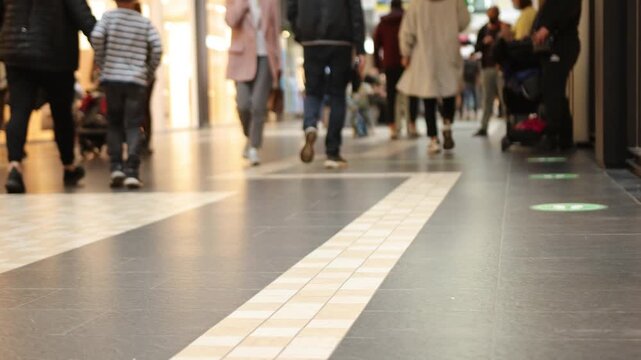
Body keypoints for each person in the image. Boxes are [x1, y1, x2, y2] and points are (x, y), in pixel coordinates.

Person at [0, 0, 96, 194]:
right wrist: (102, 44)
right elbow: (82, 16)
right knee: (61, 113)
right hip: (56, 53)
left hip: (16, 54)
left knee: (19, 110)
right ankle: (68, 166)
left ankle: (14, 166)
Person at [92, 0, 163, 189]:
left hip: (112, 79)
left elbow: (97, 36)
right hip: (136, 82)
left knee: (114, 123)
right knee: (133, 125)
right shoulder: (143, 22)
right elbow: (157, 47)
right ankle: (132, 170)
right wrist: (147, 72)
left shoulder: (108, 18)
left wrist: (102, 61)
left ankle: (116, 167)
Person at [288, 0, 366, 169]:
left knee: (312, 91)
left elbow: (291, 9)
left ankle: (310, 125)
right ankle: (332, 152)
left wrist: (300, 33)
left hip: (311, 40)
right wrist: (360, 47)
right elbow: (355, 11)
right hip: (341, 41)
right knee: (338, 95)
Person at [397, 0, 470, 154]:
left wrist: (406, 52)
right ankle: (447, 123)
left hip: (424, 53)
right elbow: (464, 21)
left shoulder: (417, 3)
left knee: (428, 96)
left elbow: (407, 30)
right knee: (449, 91)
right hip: (448, 50)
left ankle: (433, 139)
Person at [226, 0, 281, 166]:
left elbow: (275, 30)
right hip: (241, 57)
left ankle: (254, 148)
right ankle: (250, 137)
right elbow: (230, 20)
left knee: (258, 104)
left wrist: (278, 63)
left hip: (265, 57)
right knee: (242, 104)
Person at [533, 0, 582, 151]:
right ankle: (564, 137)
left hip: (561, 46)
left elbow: (563, 12)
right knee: (555, 90)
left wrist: (547, 27)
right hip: (556, 46)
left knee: (553, 88)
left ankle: (554, 135)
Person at [373, 0, 417, 140]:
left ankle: (392, 127)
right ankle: (412, 125)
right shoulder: (408, 20)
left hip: (390, 63)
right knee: (412, 94)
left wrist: (378, 65)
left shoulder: (383, 23)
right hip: (407, 62)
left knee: (391, 96)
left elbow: (376, 45)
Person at [474, 6, 506, 137]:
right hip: (487, 67)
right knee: (487, 98)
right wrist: (483, 42)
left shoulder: (503, 28)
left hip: (500, 68)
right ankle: (483, 126)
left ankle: (509, 125)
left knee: (504, 97)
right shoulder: (483, 30)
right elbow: (476, 47)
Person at [133, 2, 155, 156]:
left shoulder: (143, 27)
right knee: (143, 110)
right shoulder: (145, 27)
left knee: (141, 110)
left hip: (142, 77)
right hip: (143, 76)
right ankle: (142, 142)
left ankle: (143, 141)